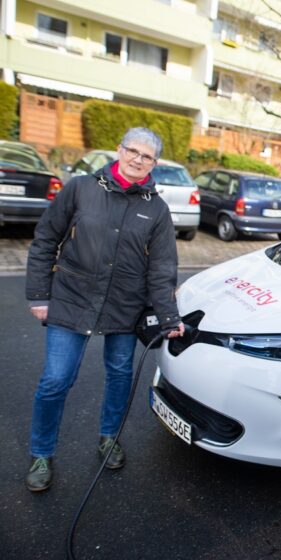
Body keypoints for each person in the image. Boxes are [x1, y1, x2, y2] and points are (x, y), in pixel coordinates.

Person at [24, 127, 185, 493]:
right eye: (132, 151)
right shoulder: (80, 188)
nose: (137, 160)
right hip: (71, 299)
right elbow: (46, 239)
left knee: (120, 374)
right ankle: (41, 454)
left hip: (124, 308)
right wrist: (38, 296)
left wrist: (170, 317)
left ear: (154, 164)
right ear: (119, 150)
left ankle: (109, 437)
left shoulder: (156, 209)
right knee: (55, 380)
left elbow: (162, 268)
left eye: (147, 156)